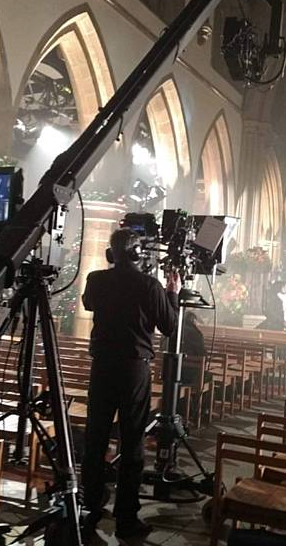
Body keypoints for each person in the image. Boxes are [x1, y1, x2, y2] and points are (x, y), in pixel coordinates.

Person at [81, 227, 181, 539]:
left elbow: (88, 304)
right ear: (138, 254)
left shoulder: (96, 280)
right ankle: (126, 517)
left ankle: (89, 507)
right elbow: (168, 326)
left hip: (102, 367)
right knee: (132, 440)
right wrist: (173, 293)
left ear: (111, 254)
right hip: (133, 369)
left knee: (96, 437)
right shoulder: (149, 285)